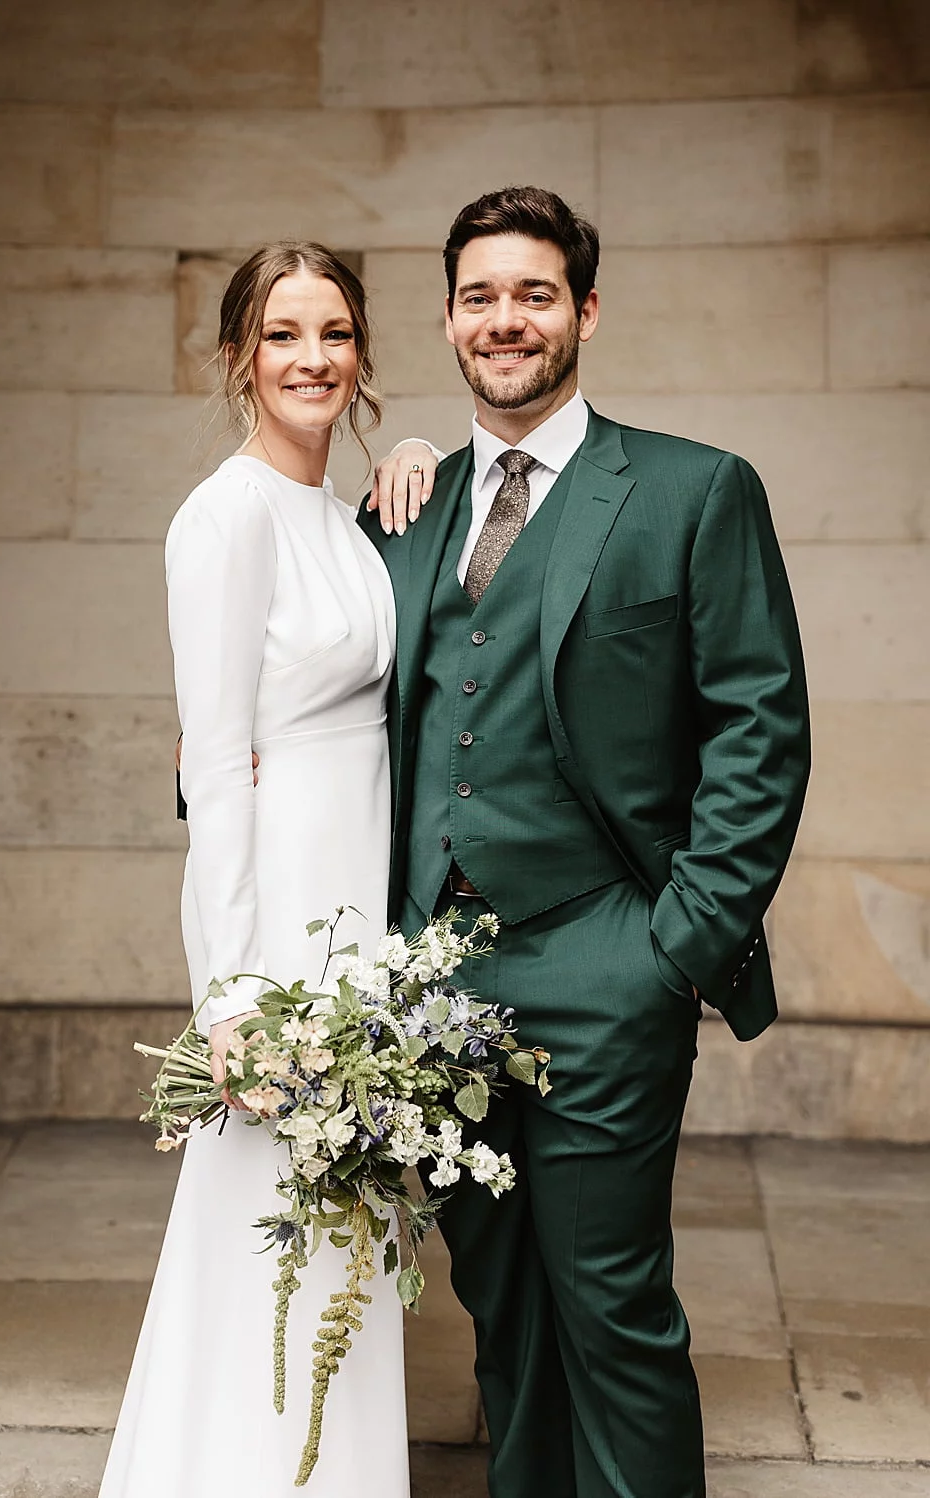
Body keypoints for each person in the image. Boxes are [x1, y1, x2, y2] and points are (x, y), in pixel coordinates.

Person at [358, 185, 809, 1498]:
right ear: (448, 322)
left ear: (586, 312)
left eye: (535, 294)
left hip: (610, 961)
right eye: (481, 297)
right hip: (438, 977)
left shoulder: (692, 489)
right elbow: (330, 687)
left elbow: (760, 728)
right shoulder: (411, 506)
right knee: (500, 1297)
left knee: (610, 1300)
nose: (507, 320)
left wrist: (674, 949)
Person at [102, 242, 413, 1497]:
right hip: (279, 909)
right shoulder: (221, 516)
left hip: (358, 903)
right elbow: (213, 765)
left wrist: (420, 467)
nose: (311, 358)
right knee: (266, 1201)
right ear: (239, 356)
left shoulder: (343, 516)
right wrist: (228, 989)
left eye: (333, 332)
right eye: (283, 334)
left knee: (349, 1214)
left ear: (360, 355)